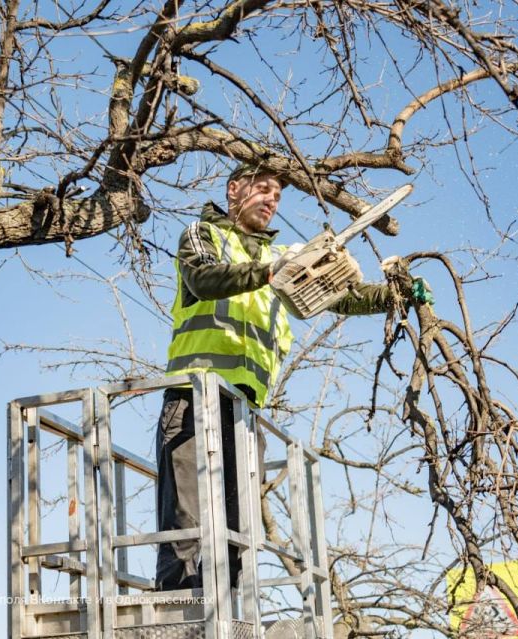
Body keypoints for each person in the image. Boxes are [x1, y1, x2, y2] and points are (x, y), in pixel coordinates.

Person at [154, 163, 417, 591]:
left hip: (245, 409)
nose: (271, 200)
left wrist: (394, 296)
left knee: (240, 525)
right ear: (234, 189)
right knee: (186, 517)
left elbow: (342, 297)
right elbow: (202, 279)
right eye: (263, 189)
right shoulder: (204, 235)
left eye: (277, 195)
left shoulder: (281, 257)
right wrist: (268, 273)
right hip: (192, 397)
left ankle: (230, 607)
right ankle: (177, 610)